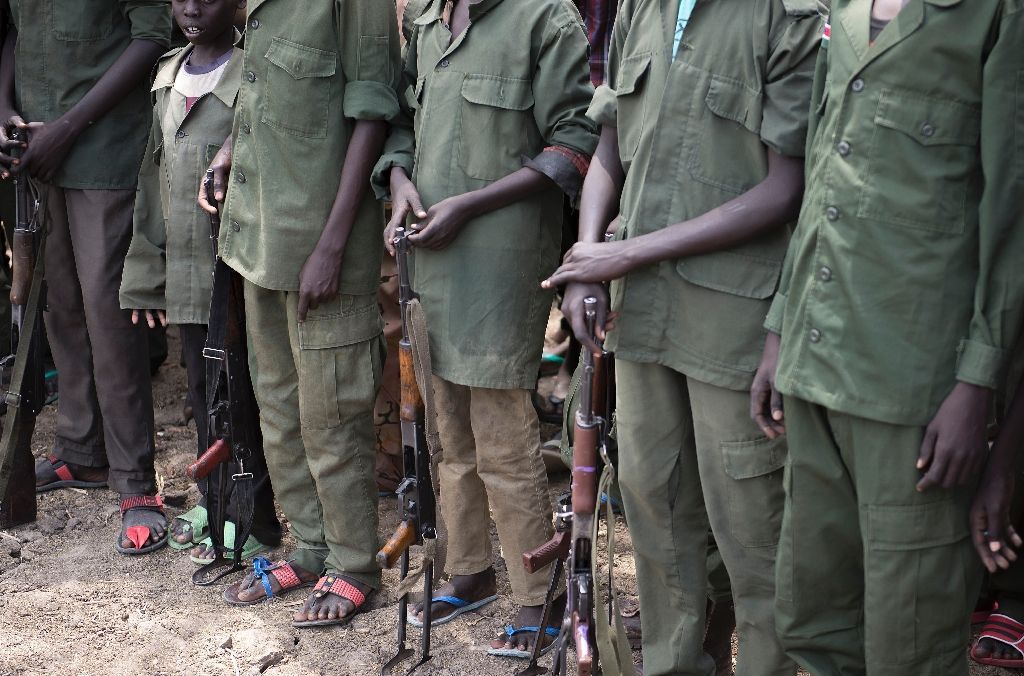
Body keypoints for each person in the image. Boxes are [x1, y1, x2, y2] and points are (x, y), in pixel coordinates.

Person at [543, 0, 823, 673]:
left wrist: (623, 257)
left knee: (754, 536)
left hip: (734, 324)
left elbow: (786, 187)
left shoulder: (787, 18)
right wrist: (587, 259)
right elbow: (610, 140)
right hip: (642, 317)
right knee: (655, 514)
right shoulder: (642, 5)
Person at [749, 0, 1024, 672]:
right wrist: (781, 328)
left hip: (914, 390)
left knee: (910, 633)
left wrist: (977, 382)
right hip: (816, 366)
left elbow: (1012, 215)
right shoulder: (842, 8)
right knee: (813, 617)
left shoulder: (996, 15)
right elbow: (820, 175)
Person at [373, 0, 598, 659]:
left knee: (503, 436)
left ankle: (538, 596)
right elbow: (401, 124)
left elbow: (575, 143)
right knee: (446, 433)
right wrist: (399, 185)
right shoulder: (425, 20)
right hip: (430, 264)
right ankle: (467, 570)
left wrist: (472, 205)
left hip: (501, 264)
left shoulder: (544, 18)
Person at [198, 0, 400, 628]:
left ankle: (353, 564)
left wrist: (334, 244)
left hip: (323, 247)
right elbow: (267, 93)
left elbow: (372, 115)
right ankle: (309, 548)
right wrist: (230, 150)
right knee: (279, 407)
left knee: (331, 411)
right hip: (258, 237)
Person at [0, 0, 171, 554]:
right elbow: (14, 35)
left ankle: (135, 483)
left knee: (108, 311)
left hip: (103, 147)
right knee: (60, 307)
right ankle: (81, 450)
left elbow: (150, 38)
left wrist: (71, 127)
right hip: (35, 149)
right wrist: (2, 109)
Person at [119, 0, 282, 565]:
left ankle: (253, 513)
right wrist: (144, 274)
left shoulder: (251, 73)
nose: (192, 7)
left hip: (235, 270)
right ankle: (217, 502)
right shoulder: (167, 75)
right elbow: (151, 177)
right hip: (185, 277)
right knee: (201, 393)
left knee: (243, 395)